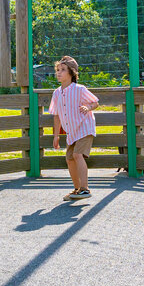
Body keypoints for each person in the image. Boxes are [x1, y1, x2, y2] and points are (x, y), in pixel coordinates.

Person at [49, 56, 99, 201]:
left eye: (63, 70)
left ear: (71, 73)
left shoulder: (80, 89)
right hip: (72, 132)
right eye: (58, 70)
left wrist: (88, 106)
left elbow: (95, 102)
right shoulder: (56, 93)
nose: (59, 72)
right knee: (70, 159)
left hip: (85, 127)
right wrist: (56, 136)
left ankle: (85, 189)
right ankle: (77, 190)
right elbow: (56, 115)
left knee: (77, 155)